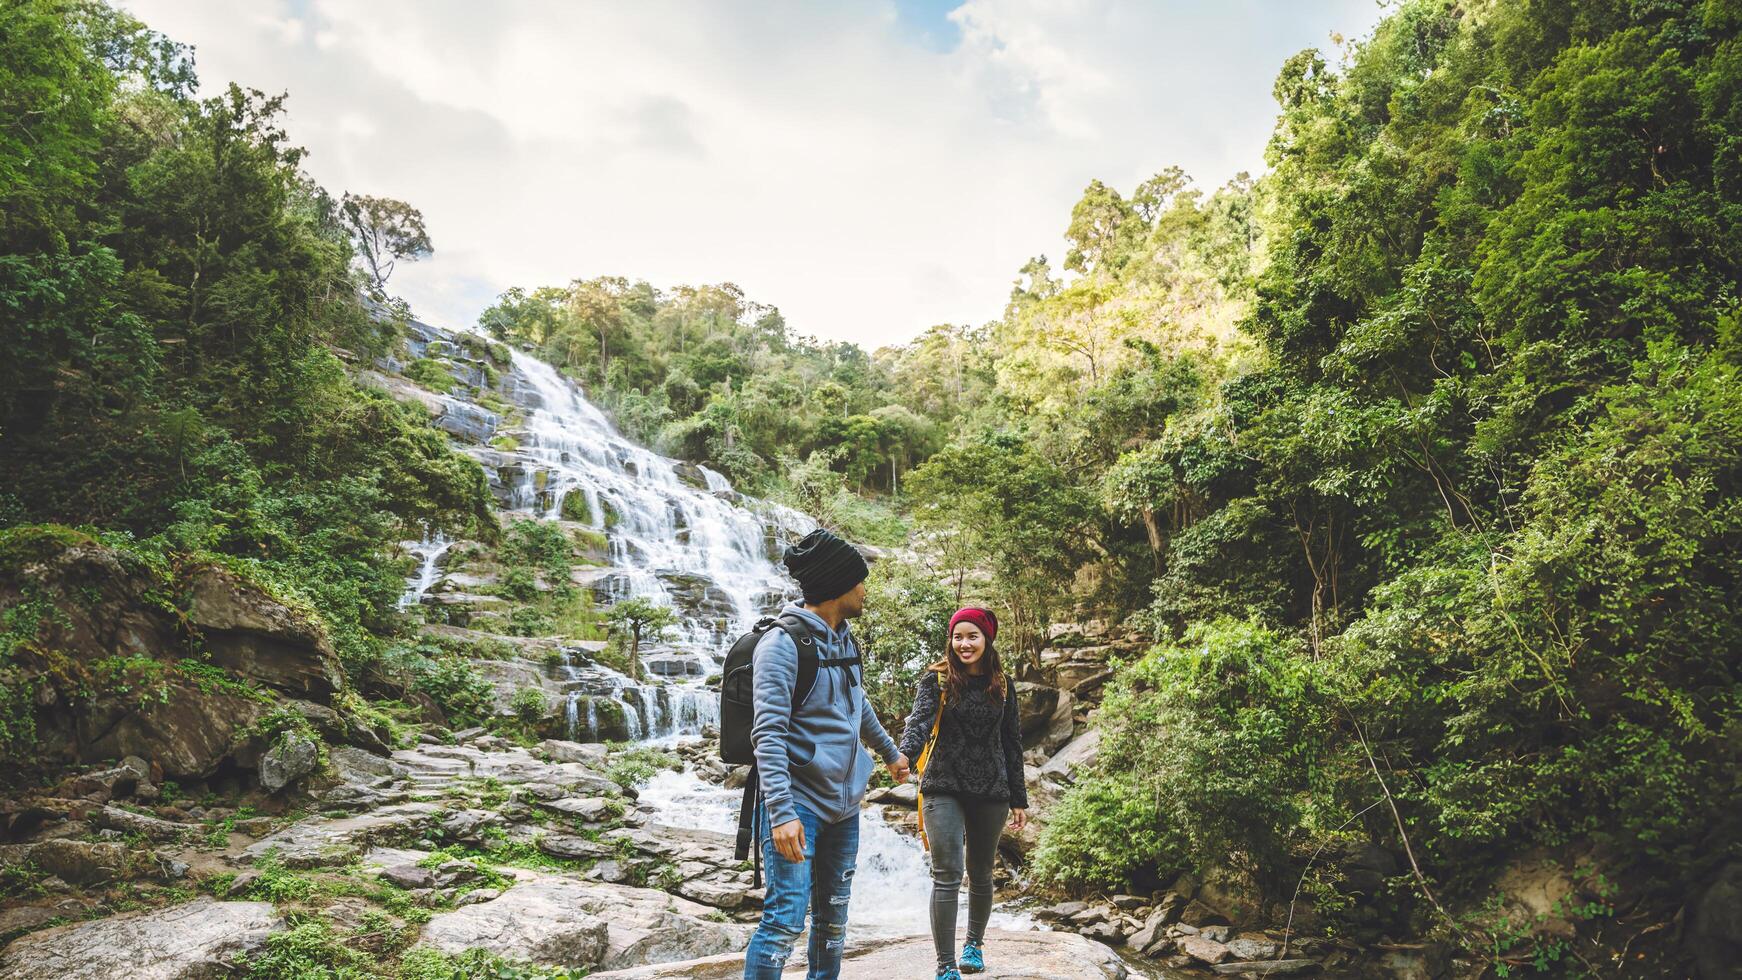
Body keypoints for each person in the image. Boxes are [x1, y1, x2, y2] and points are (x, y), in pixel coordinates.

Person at [744, 527, 911, 980]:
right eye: (859, 581)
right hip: (798, 804)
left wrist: (891, 753)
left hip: (845, 807)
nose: (864, 589)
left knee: (833, 922)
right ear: (838, 585)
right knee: (783, 923)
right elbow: (769, 734)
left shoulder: (845, 638)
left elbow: (859, 704)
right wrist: (780, 813)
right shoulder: (781, 645)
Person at [898, 606, 1028, 980]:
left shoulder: (1002, 684)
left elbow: (1012, 742)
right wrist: (905, 755)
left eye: (972, 636)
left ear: (987, 640)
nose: (964, 644)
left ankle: (974, 944)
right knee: (947, 873)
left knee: (982, 872)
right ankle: (945, 965)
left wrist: (1019, 798)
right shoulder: (937, 680)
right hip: (943, 784)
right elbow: (920, 721)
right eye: (958, 636)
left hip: (992, 789)